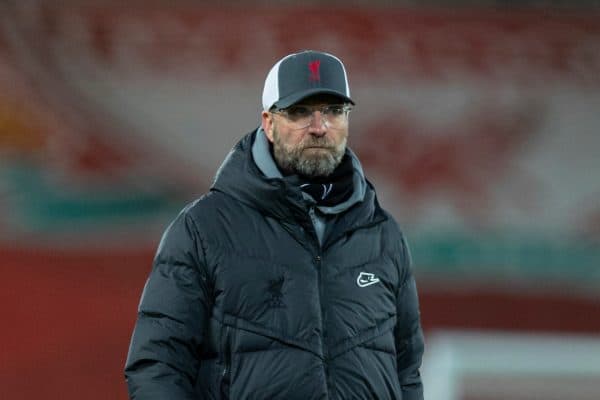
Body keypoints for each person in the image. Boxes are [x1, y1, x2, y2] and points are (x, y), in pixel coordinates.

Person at [125, 50, 424, 400]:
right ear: (268, 123)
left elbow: (407, 370)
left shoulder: (383, 235)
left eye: (333, 110)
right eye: (299, 112)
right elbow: (158, 364)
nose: (318, 126)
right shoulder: (203, 229)